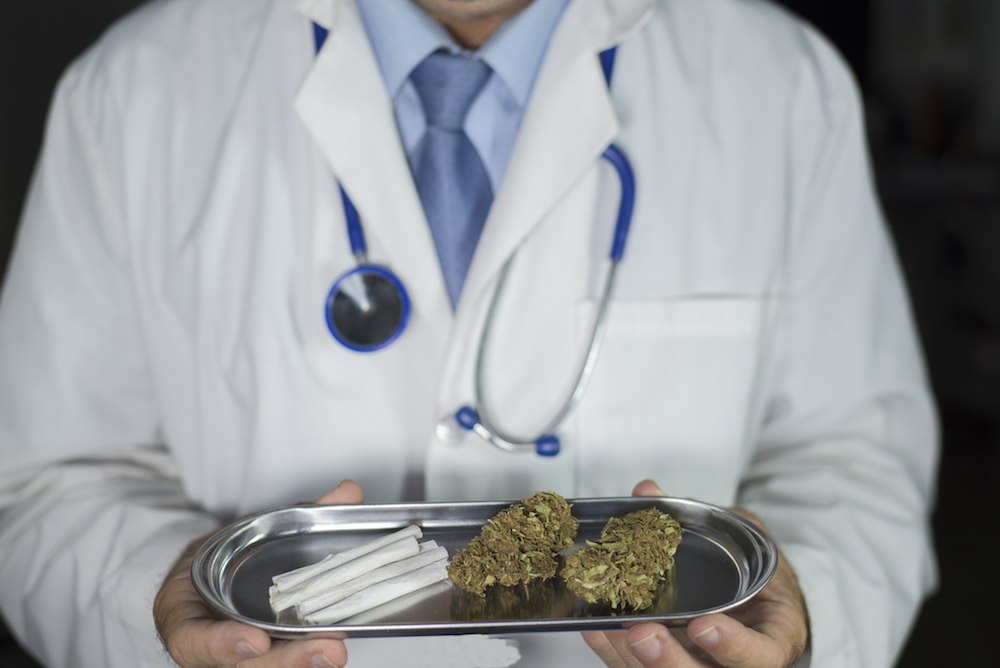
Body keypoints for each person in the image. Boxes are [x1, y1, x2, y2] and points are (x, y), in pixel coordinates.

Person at [0, 0, 938, 667]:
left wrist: (803, 613)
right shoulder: (133, 90)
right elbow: (39, 484)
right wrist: (153, 603)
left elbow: (858, 462)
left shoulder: (782, 84)